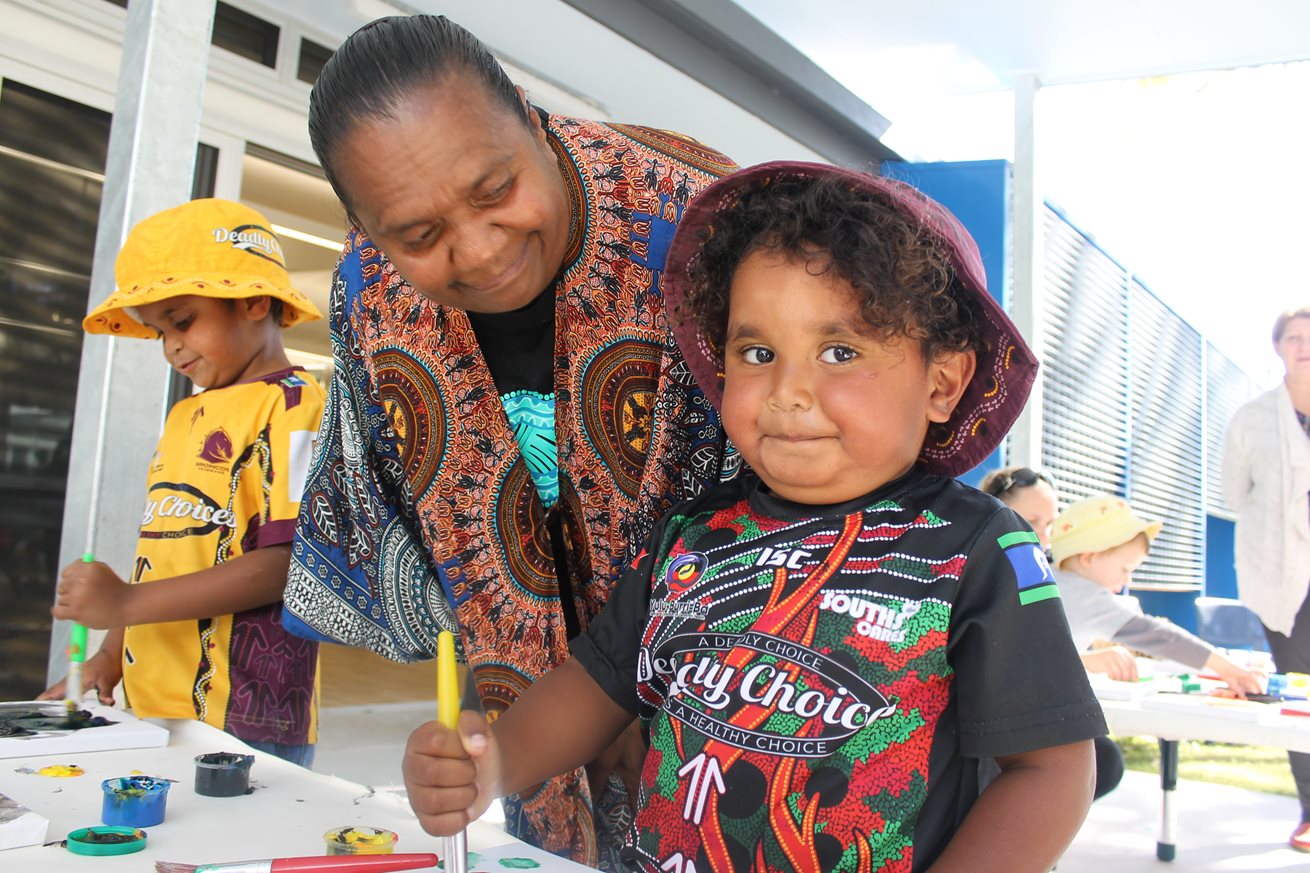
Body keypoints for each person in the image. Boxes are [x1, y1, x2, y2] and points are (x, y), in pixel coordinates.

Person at [402, 162, 1108, 873]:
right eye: (758, 351)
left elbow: (1053, 769)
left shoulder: (978, 550)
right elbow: (595, 683)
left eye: (840, 351)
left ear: (943, 381)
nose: (787, 392)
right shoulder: (693, 536)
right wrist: (490, 766)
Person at [279, 14, 739, 865]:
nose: (481, 250)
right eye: (417, 237)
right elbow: (384, 509)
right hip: (529, 740)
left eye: (495, 190)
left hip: (738, 720)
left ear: (528, 115)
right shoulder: (368, 299)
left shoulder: (709, 218)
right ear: (368, 231)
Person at [39, 198, 325, 766]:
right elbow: (162, 558)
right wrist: (111, 652)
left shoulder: (298, 407)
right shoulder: (183, 417)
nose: (170, 347)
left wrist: (124, 600)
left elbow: (291, 562)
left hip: (243, 713)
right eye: (157, 331)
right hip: (154, 702)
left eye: (183, 321)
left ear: (253, 301)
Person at [979, 466, 1127, 798]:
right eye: (1033, 522)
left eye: (1051, 524)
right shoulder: (984, 569)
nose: (1044, 535)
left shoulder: (1035, 569)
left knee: (1101, 758)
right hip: (979, 729)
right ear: (993, 510)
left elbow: (1035, 651)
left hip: (1014, 718)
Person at [1223, 306, 1310, 851]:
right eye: (1294, 337)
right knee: (1302, 694)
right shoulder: (1252, 419)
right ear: (1278, 348)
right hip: (1281, 580)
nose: (1304, 345)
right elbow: (1235, 494)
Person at [1050, 496, 1263, 699]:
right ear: (1089, 558)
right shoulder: (1088, 598)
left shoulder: (1050, 581)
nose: (1128, 580)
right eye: (1125, 568)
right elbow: (1159, 636)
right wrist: (1225, 667)